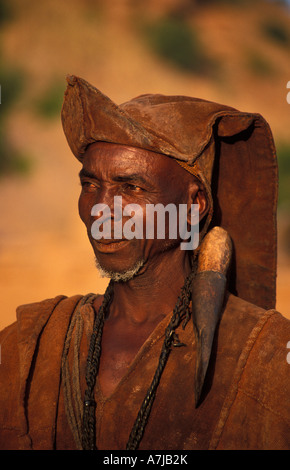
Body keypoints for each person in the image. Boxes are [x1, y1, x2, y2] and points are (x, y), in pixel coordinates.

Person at [0, 75, 289, 450]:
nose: (101, 209)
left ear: (192, 205)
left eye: (131, 188)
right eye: (90, 185)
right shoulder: (31, 344)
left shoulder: (265, 354)